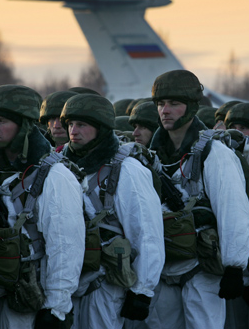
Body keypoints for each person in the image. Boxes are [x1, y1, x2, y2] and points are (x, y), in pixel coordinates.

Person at [147, 70, 249, 329]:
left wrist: (234, 266)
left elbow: (233, 210)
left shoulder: (214, 153)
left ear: (191, 107)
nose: (165, 110)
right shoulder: (151, 156)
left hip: (202, 268)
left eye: (174, 103)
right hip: (164, 265)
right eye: (161, 104)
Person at [0, 85, 85, 328]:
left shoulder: (55, 175)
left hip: (29, 292)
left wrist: (57, 307)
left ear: (24, 124)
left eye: (2, 120)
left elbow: (65, 245)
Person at [60, 93, 164, 329]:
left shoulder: (127, 170)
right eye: (70, 124)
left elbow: (147, 233)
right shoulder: (59, 168)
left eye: (82, 125)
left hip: (105, 283)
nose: (73, 131)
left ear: (100, 128)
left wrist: (142, 291)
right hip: (66, 282)